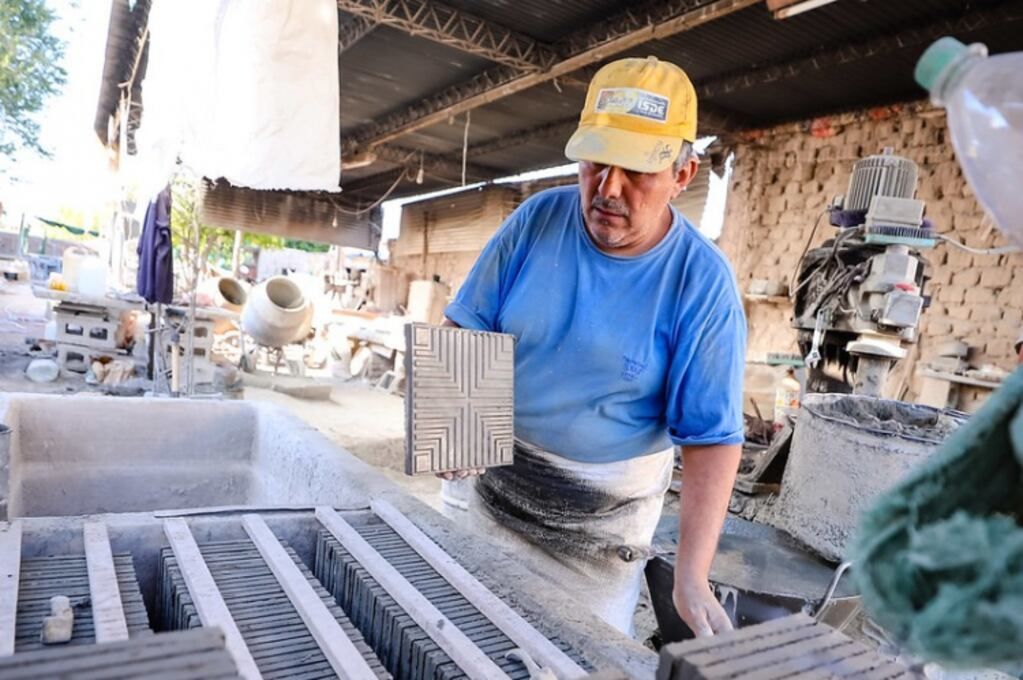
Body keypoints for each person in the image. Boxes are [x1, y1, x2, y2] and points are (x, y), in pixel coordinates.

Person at [441, 56, 746, 637]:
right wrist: (456, 418)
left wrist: (691, 576)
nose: (608, 188)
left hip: (597, 529)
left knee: (570, 657)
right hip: (485, 491)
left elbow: (711, 439)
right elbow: (467, 322)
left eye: (636, 171)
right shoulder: (537, 220)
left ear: (683, 174)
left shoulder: (701, 282)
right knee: (451, 635)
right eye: (597, 163)